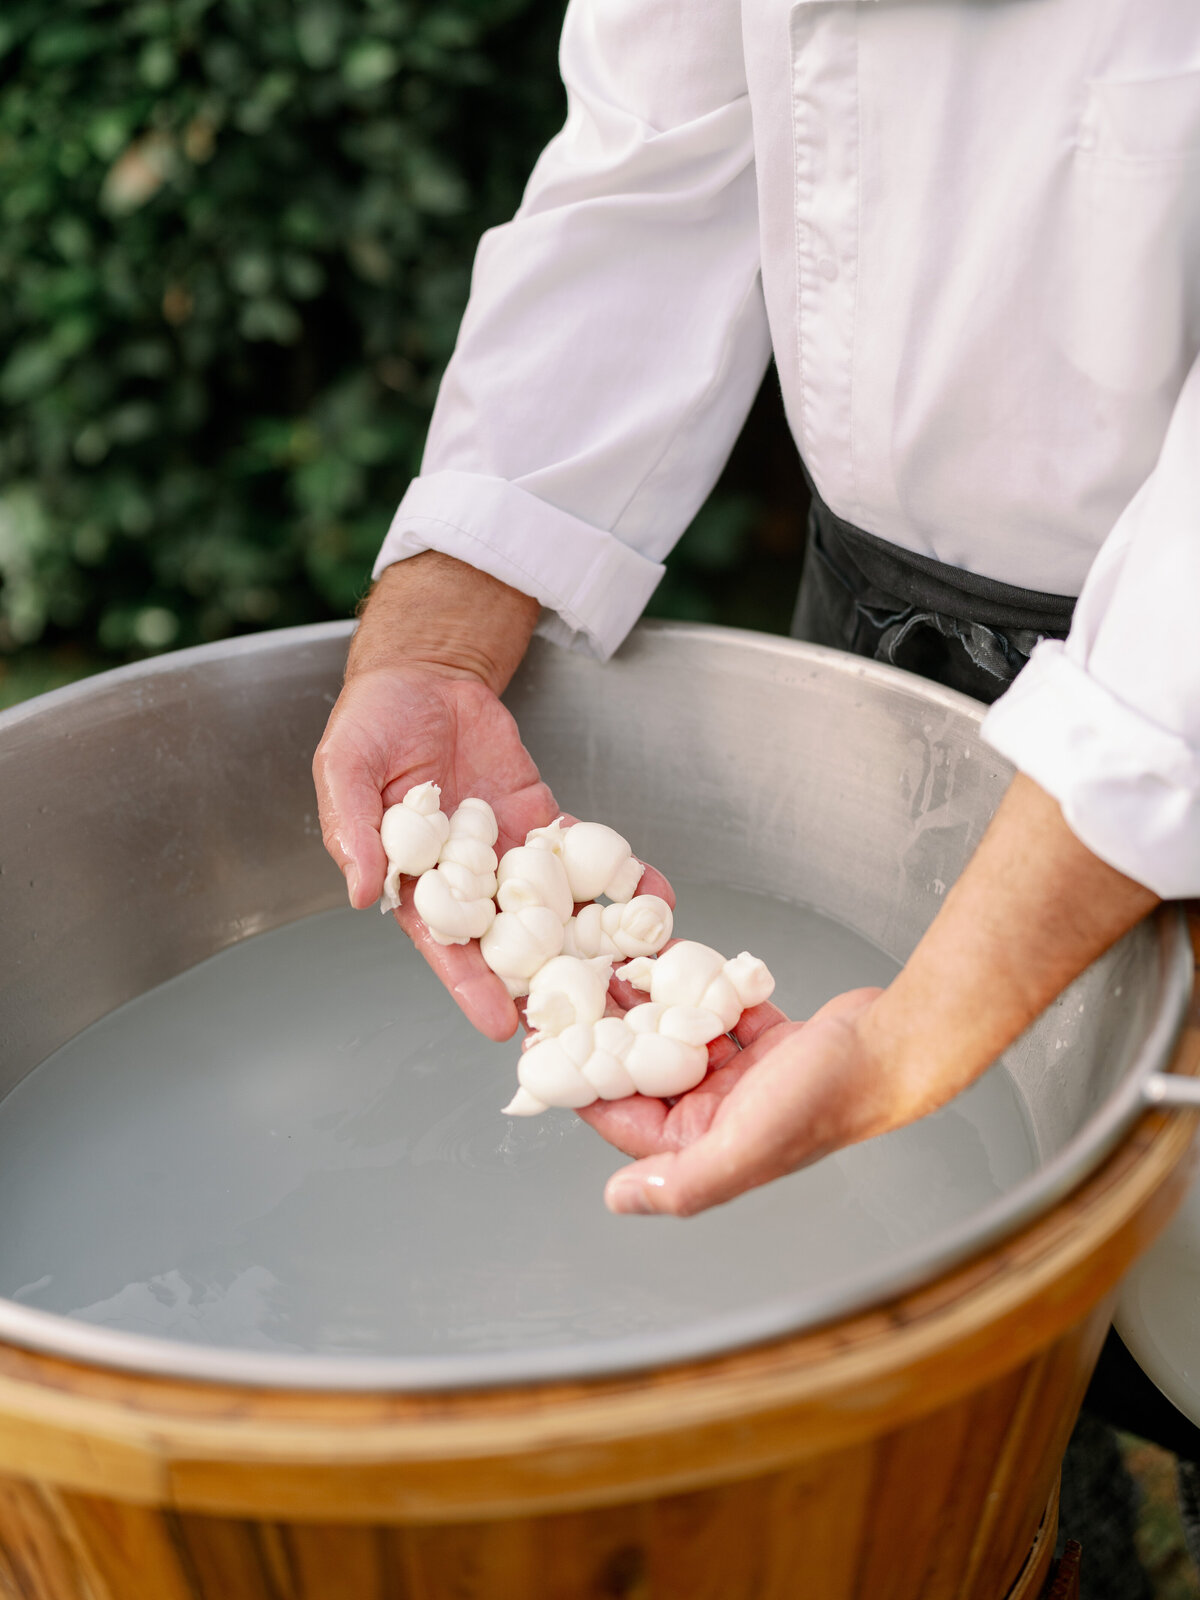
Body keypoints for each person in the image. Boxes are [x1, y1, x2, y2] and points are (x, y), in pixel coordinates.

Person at [314, 0, 1198, 1228]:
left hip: (1174, 665)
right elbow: (657, 144)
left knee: (1167, 1254)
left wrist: (911, 1035)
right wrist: (441, 633)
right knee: (916, 1224)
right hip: (874, 603)